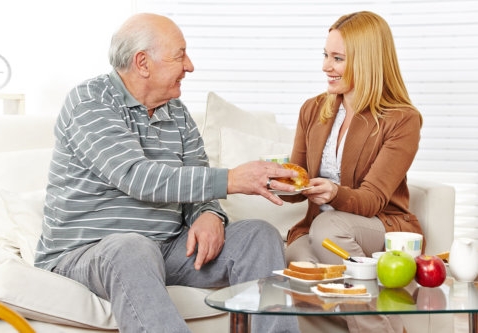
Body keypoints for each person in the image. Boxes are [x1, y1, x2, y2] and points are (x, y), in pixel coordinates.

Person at [34, 13, 300, 333]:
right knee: (133, 248)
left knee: (258, 235)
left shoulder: (176, 112)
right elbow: (136, 176)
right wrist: (230, 180)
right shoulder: (90, 101)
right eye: (180, 55)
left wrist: (208, 214)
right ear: (143, 62)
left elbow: (196, 175)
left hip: (168, 248)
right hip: (89, 254)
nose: (189, 66)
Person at [282, 11, 424, 333]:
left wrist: (333, 192)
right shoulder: (313, 109)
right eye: (325, 55)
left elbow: (372, 199)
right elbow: (298, 181)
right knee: (298, 255)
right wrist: (280, 181)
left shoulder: (402, 120)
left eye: (337, 58)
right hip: (321, 229)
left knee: (328, 226)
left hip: (379, 226)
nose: (325, 67)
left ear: (367, 62)